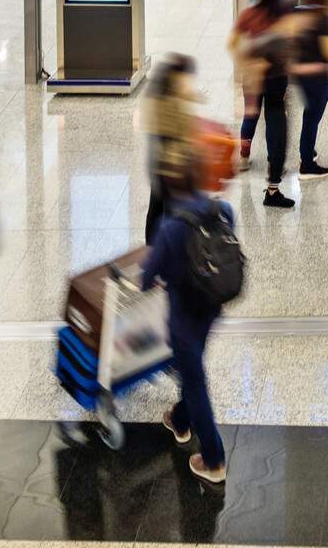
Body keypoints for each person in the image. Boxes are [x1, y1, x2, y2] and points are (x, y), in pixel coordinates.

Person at [142, 151, 233, 484]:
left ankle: (214, 458)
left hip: (183, 316)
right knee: (192, 368)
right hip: (212, 307)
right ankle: (179, 420)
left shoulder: (172, 226)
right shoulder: (222, 209)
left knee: (194, 383)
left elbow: (147, 277)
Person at [229, 0, 296, 209]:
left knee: (251, 114)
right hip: (277, 78)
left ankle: (244, 156)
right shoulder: (284, 12)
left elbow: (232, 43)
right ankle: (273, 178)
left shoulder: (249, 14)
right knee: (276, 123)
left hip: (253, 78)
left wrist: (245, 63)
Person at [137, 54, 202, 243]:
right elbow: (180, 133)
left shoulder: (160, 96)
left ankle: (152, 249)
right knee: (166, 209)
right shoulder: (166, 104)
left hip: (161, 166)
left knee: (158, 207)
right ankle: (160, 250)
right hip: (168, 167)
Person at [289, 0, 328, 181]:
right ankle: (307, 164)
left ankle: (308, 152)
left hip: (302, 75)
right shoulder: (324, 18)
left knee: (309, 115)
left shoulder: (297, 12)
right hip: (319, 77)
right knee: (312, 118)